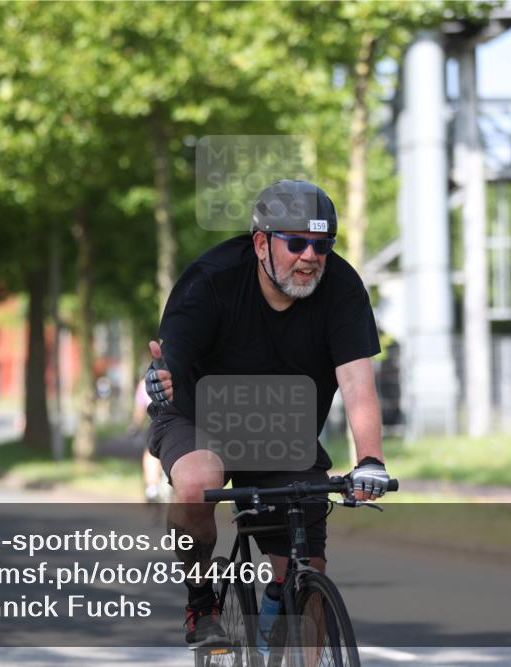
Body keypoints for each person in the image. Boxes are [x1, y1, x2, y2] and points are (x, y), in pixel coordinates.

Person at [144, 179, 393, 647]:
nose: (310, 257)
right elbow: (169, 360)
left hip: (280, 430)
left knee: (306, 576)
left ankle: (283, 600)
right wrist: (160, 378)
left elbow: (357, 384)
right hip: (198, 416)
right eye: (296, 243)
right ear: (261, 243)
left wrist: (370, 460)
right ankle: (202, 601)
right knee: (197, 482)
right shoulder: (211, 280)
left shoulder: (341, 288)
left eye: (322, 245)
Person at [128, 372, 166, 502]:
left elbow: (139, 412)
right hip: (179, 422)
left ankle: (152, 488)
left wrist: (134, 427)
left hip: (156, 423)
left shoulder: (144, 384)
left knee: (150, 453)